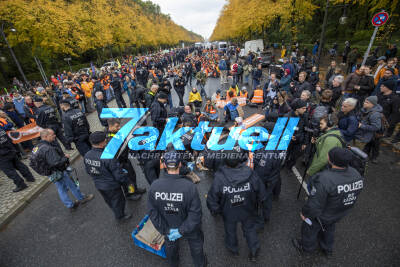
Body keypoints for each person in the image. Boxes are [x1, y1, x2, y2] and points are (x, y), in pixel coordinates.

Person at [292, 147, 364, 257]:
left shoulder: (325, 179)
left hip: (322, 214)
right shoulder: (356, 173)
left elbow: (314, 203)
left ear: (331, 160)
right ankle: (327, 248)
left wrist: (305, 213)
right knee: (329, 228)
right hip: (340, 211)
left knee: (309, 229)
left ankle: (306, 248)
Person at [207, 148, 267, 262]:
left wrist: (216, 210)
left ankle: (233, 248)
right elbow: (261, 191)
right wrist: (260, 202)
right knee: (249, 229)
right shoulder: (250, 173)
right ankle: (254, 251)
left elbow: (212, 199)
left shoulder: (220, 178)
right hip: (248, 209)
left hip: (229, 212)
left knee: (230, 230)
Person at [148, 151, 206, 267]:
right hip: (190, 228)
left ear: (164, 165)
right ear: (180, 164)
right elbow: (195, 213)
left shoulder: (155, 186)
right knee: (196, 246)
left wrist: (165, 230)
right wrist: (182, 230)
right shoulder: (189, 186)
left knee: (171, 248)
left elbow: (152, 212)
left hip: (168, 225)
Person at [32, 129, 94, 210]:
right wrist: (65, 158)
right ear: (46, 136)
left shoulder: (36, 147)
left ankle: (70, 205)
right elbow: (56, 162)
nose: (55, 136)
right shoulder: (47, 148)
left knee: (61, 189)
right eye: (52, 134)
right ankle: (82, 198)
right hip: (58, 171)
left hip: (50, 173)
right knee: (72, 185)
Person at [84, 131, 132, 221]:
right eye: (105, 140)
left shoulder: (87, 155)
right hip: (112, 186)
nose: (106, 141)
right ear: (102, 142)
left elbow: (88, 171)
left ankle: (115, 211)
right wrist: (127, 182)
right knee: (118, 201)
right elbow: (118, 175)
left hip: (99, 185)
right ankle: (120, 216)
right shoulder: (108, 156)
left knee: (109, 200)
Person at [0, 127, 35, 192]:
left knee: (9, 171)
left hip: (2, 156)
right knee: (19, 165)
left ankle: (21, 184)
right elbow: (9, 138)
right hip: (10, 150)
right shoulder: (1, 129)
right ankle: (30, 177)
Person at [285, 99, 308, 169]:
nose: (305, 110)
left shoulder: (304, 116)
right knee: (285, 155)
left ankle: (289, 166)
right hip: (288, 142)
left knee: (294, 157)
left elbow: (306, 130)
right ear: (297, 109)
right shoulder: (287, 117)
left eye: (306, 108)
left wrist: (305, 143)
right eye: (303, 108)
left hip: (299, 142)